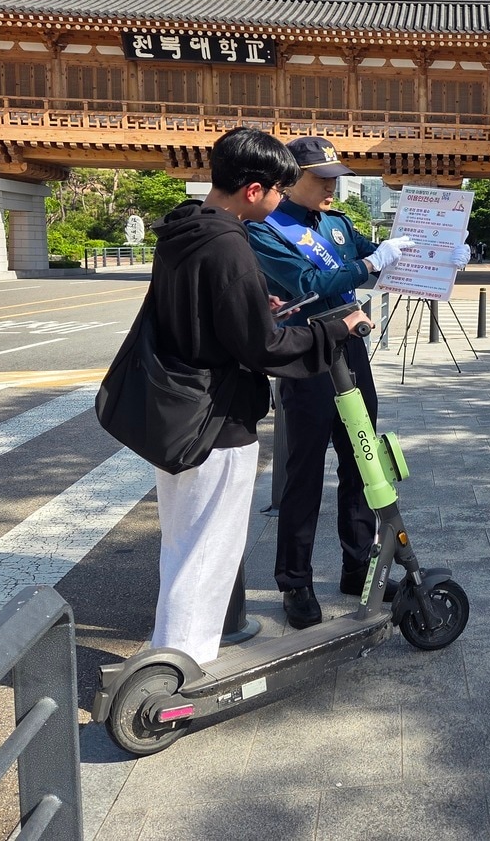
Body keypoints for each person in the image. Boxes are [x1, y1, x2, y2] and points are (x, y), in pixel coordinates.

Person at [147, 127, 370, 662]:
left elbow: (225, 317)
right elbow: (265, 343)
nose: (279, 199)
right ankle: (186, 663)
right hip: (219, 410)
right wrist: (332, 327)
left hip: (190, 408)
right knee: (212, 544)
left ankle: (179, 655)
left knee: (191, 546)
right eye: (280, 188)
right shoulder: (237, 239)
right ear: (255, 189)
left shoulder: (189, 228)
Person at [246, 137, 462, 627]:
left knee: (363, 462)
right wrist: (370, 263)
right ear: (289, 179)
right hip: (305, 352)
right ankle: (295, 581)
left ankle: (358, 566)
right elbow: (309, 282)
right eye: (321, 178)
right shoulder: (264, 229)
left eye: (334, 178)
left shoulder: (338, 225)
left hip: (351, 347)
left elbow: (389, 256)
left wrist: (445, 257)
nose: (331, 187)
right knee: (303, 472)